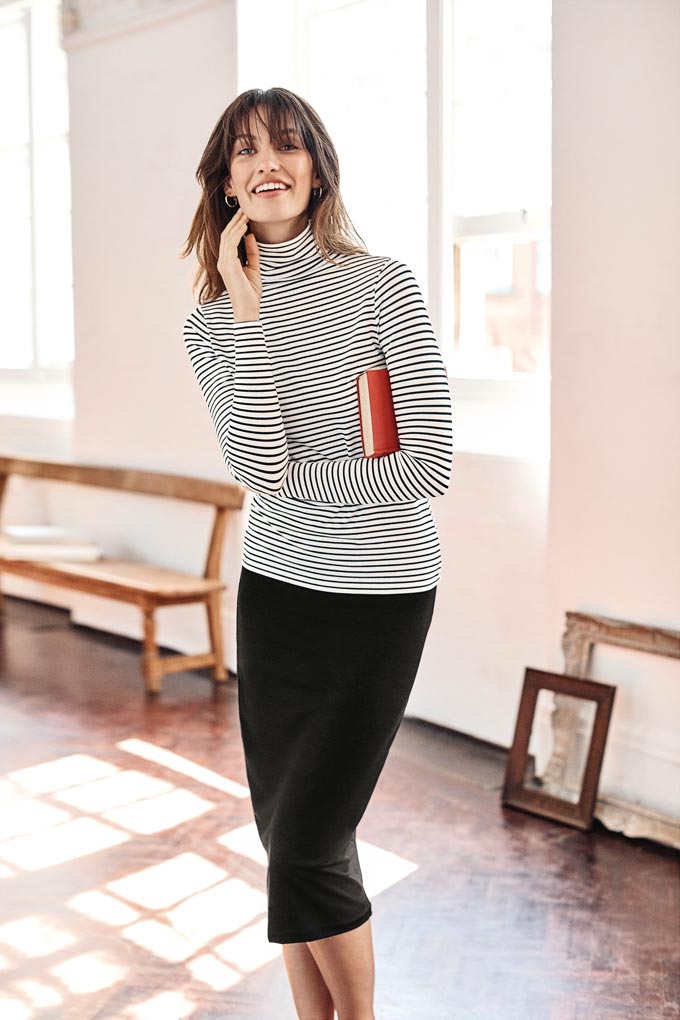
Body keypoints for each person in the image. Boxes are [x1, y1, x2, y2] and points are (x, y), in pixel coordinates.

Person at [180, 86, 454, 1020]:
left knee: (308, 837)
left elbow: (426, 467)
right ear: (224, 179)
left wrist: (295, 481)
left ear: (317, 163)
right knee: (288, 835)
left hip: (379, 599)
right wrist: (251, 316)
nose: (268, 164)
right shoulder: (213, 321)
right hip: (277, 596)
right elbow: (256, 460)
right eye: (246, 151)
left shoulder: (382, 286)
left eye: (287, 146)